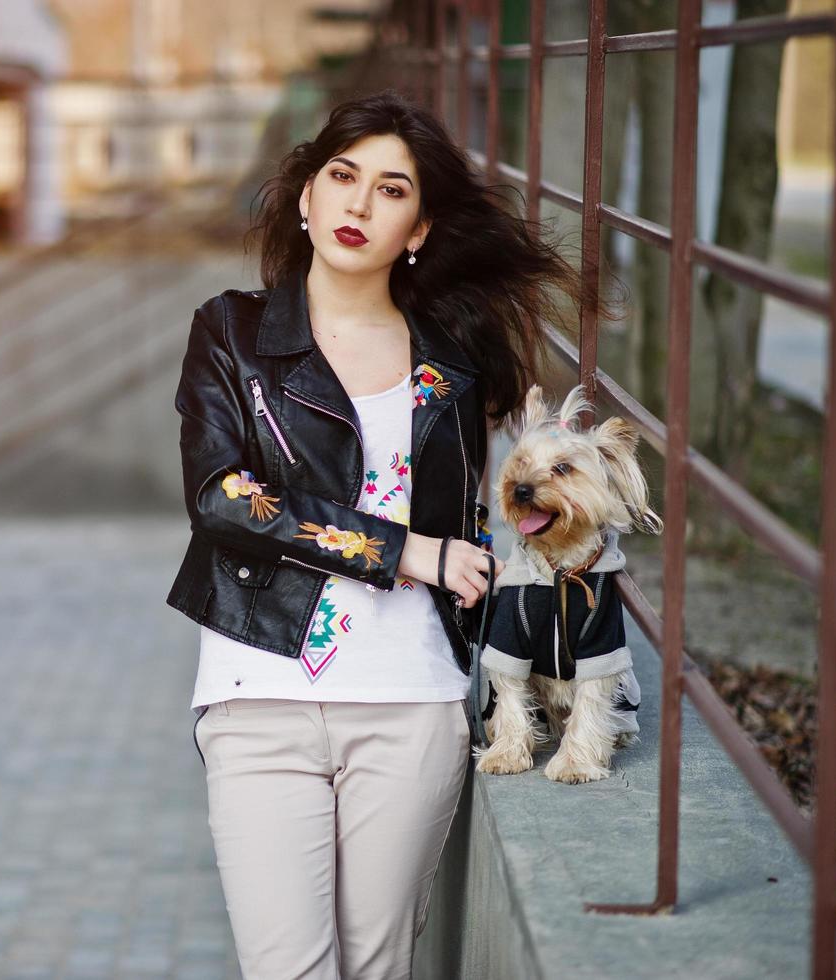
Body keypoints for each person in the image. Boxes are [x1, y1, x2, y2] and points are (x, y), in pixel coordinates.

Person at [163, 89, 604, 979]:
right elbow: (220, 498)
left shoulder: (453, 361)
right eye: (341, 176)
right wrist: (400, 550)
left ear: (418, 227)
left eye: (390, 189)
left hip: (410, 702)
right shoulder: (231, 333)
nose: (358, 204)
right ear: (304, 197)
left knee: (378, 970)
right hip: (259, 700)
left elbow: (531, 501)